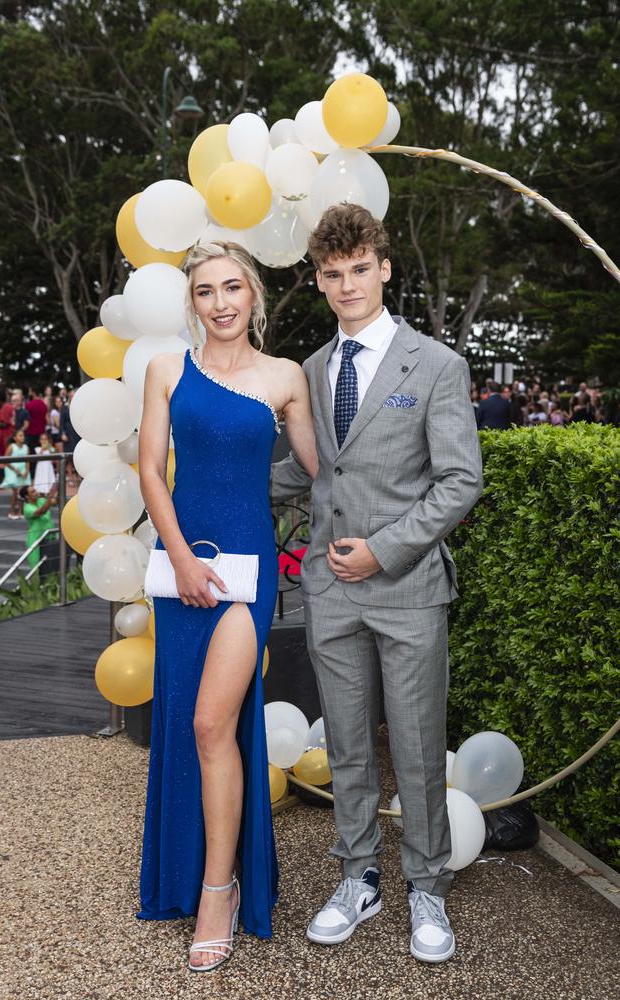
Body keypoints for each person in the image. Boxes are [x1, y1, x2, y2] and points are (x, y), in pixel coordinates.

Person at [271, 204, 483, 964]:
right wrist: (219, 481)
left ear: (385, 268)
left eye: (361, 269)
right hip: (329, 590)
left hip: (407, 587)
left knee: (420, 748)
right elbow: (309, 468)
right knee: (351, 744)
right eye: (334, 274)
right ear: (320, 281)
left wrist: (384, 550)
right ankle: (358, 876)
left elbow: (460, 481)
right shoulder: (313, 371)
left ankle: (427, 885)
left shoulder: (436, 365)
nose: (349, 284)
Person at [137, 241, 318, 971]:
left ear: (255, 295)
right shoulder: (166, 370)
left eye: (233, 287)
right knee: (189, 725)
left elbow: (321, 470)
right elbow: (150, 469)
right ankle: (201, 875)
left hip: (248, 573)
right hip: (182, 571)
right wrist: (179, 556)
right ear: (193, 303)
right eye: (206, 291)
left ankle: (220, 889)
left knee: (215, 722)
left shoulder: (285, 377)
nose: (220, 302)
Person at [19, 482, 59, 568]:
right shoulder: (27, 508)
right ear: (26, 496)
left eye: (35, 490)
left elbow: (55, 502)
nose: (36, 492)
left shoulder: (41, 500)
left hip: (49, 536)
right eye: (33, 492)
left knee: (51, 564)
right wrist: (51, 495)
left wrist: (58, 490)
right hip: (36, 539)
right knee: (38, 566)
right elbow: (41, 511)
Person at [0, 429, 31, 518]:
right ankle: (11, 512)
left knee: (22, 492)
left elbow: (27, 460)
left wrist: (27, 471)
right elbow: (5, 461)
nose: (22, 437)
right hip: (12, 471)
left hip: (23, 471)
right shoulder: (11, 447)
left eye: (23, 435)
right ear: (15, 438)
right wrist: (15, 470)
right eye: (20, 435)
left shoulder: (26, 447)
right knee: (15, 491)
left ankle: (20, 512)